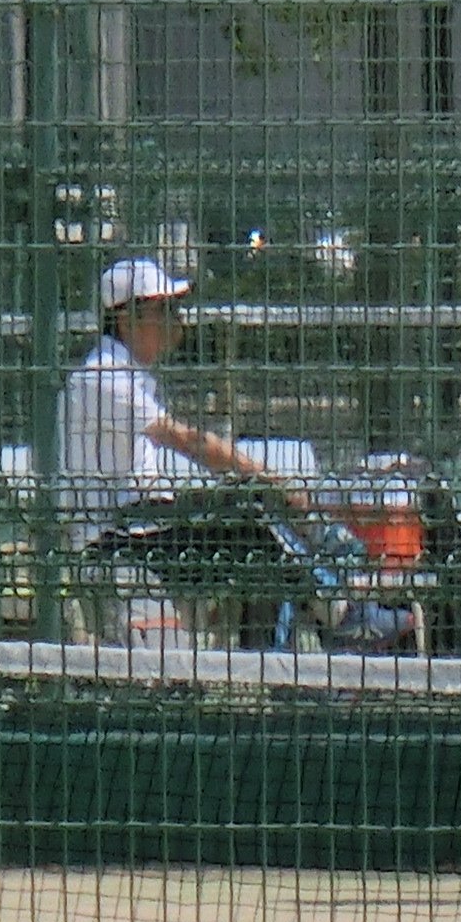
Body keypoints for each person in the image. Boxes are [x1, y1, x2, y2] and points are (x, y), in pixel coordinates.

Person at [56, 255, 310, 641]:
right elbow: (185, 440)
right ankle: (343, 617)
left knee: (254, 536)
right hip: (116, 539)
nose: (177, 319)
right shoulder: (104, 375)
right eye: (164, 309)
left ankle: (311, 633)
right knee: (252, 530)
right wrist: (268, 478)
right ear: (127, 318)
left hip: (143, 525)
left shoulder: (128, 372)